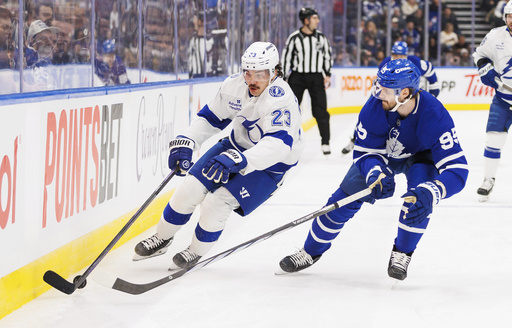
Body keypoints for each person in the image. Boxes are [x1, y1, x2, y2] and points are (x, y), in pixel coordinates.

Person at [279, 59, 468, 280]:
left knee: (419, 200)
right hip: (382, 155)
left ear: (404, 93)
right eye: (379, 85)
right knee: (340, 201)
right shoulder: (373, 108)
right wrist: (375, 173)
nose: (378, 92)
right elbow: (364, 153)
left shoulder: (435, 114)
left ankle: (402, 252)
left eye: (386, 89)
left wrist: (434, 190)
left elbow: (458, 169)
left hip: (421, 157)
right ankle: (310, 252)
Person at [133, 42, 304, 268]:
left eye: (260, 74)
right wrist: (188, 139)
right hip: (235, 146)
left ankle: (194, 252)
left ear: (274, 72)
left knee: (217, 203)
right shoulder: (234, 86)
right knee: (189, 188)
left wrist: (244, 160)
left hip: (270, 165)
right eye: (248, 72)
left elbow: (279, 144)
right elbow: (211, 118)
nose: (252, 80)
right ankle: (162, 238)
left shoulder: (281, 98)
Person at [342, 41, 441, 154]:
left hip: (407, 98)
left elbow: (430, 70)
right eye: (395, 55)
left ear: (406, 55)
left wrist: (433, 93)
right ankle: (357, 138)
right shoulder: (385, 64)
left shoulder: (416, 62)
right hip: (388, 95)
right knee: (368, 113)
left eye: (401, 55)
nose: (398, 58)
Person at [473, 1, 512, 201]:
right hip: (503, 99)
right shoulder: (495, 35)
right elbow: (479, 55)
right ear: (505, 17)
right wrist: (484, 67)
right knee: (493, 140)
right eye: (510, 16)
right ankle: (488, 179)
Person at [281, 7, 333, 155]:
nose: (317, 21)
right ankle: (288, 140)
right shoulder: (294, 38)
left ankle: (325, 142)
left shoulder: (321, 38)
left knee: (320, 110)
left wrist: (327, 74)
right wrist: (284, 77)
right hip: (297, 77)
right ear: (306, 20)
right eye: (314, 18)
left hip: (316, 77)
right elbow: (286, 58)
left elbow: (327, 56)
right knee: (291, 109)